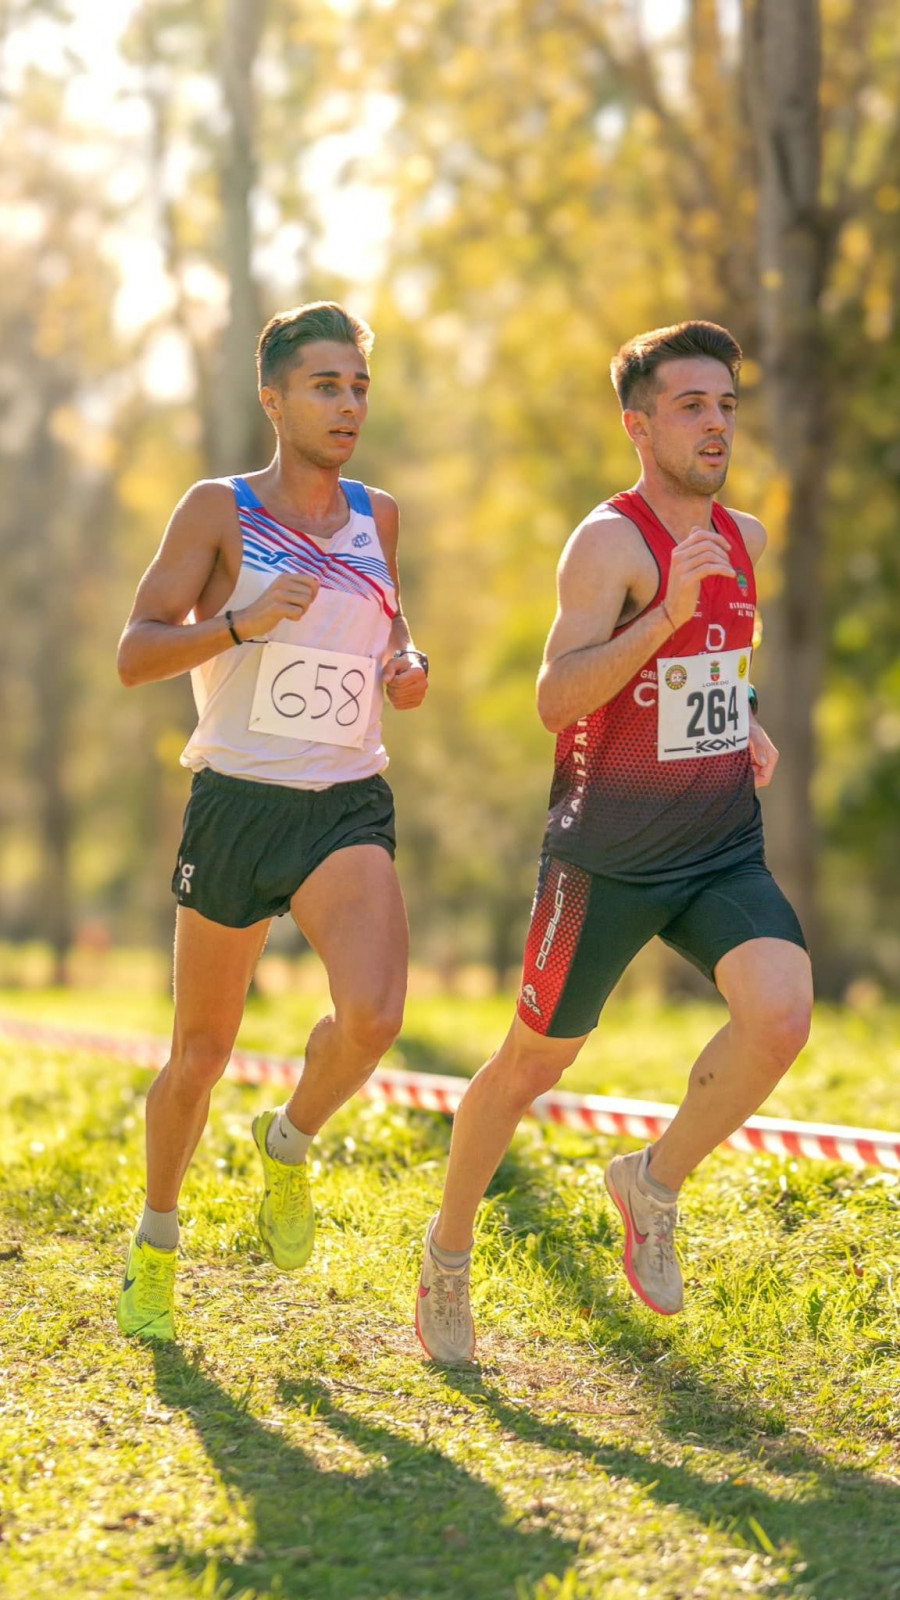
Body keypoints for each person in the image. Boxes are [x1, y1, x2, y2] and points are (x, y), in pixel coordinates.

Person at [415, 320, 812, 1364]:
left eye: (726, 403)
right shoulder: (609, 544)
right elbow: (557, 698)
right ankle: (448, 1256)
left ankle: (653, 1181)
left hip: (720, 843)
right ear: (639, 426)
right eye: (691, 406)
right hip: (606, 860)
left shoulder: (745, 540)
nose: (717, 423)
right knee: (526, 1069)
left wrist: (747, 715)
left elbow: (715, 666)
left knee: (781, 1015)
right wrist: (663, 617)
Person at [115, 301, 428, 1340]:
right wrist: (241, 621)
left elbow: (392, 631)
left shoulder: (379, 517)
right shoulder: (219, 509)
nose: (348, 405)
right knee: (199, 1053)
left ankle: (290, 1139)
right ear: (274, 397)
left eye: (359, 386)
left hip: (344, 801)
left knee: (375, 1014)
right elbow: (135, 652)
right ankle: (158, 1240)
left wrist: (406, 665)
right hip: (238, 802)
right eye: (326, 386)